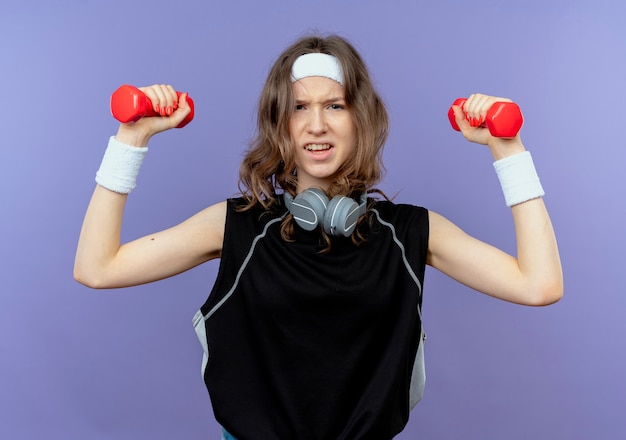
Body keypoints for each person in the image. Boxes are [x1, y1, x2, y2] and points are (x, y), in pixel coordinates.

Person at [74, 34, 563, 440]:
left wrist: (508, 149)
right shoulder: (237, 225)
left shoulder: (409, 232)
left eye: (335, 105)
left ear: (361, 118)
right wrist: (129, 139)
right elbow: (97, 268)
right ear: (278, 122)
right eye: (298, 107)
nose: (316, 125)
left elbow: (538, 285)